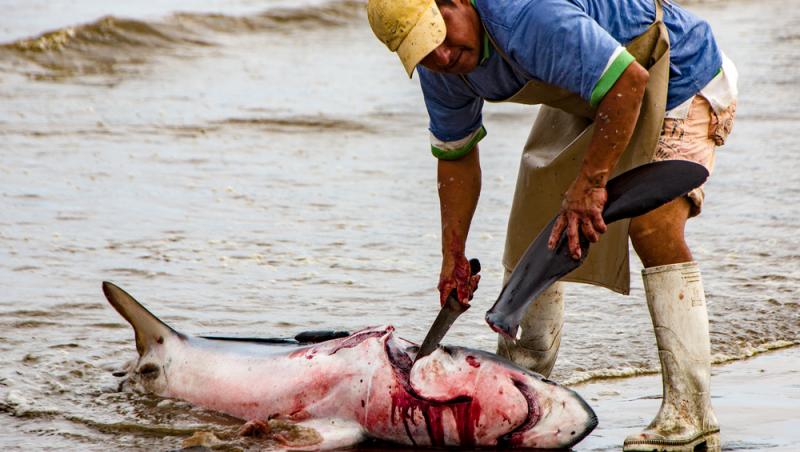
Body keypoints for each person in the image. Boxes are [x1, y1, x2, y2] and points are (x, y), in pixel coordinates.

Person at [367, 0, 737, 450]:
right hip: (592, 88)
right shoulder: (443, 71)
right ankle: (522, 401)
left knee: (651, 225)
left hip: (675, 70)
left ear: (456, 3)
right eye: (423, 51)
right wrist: (453, 256)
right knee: (531, 234)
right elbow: (456, 156)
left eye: (440, 35)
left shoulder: (524, 16)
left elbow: (628, 80)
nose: (441, 56)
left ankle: (691, 412)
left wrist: (590, 185)